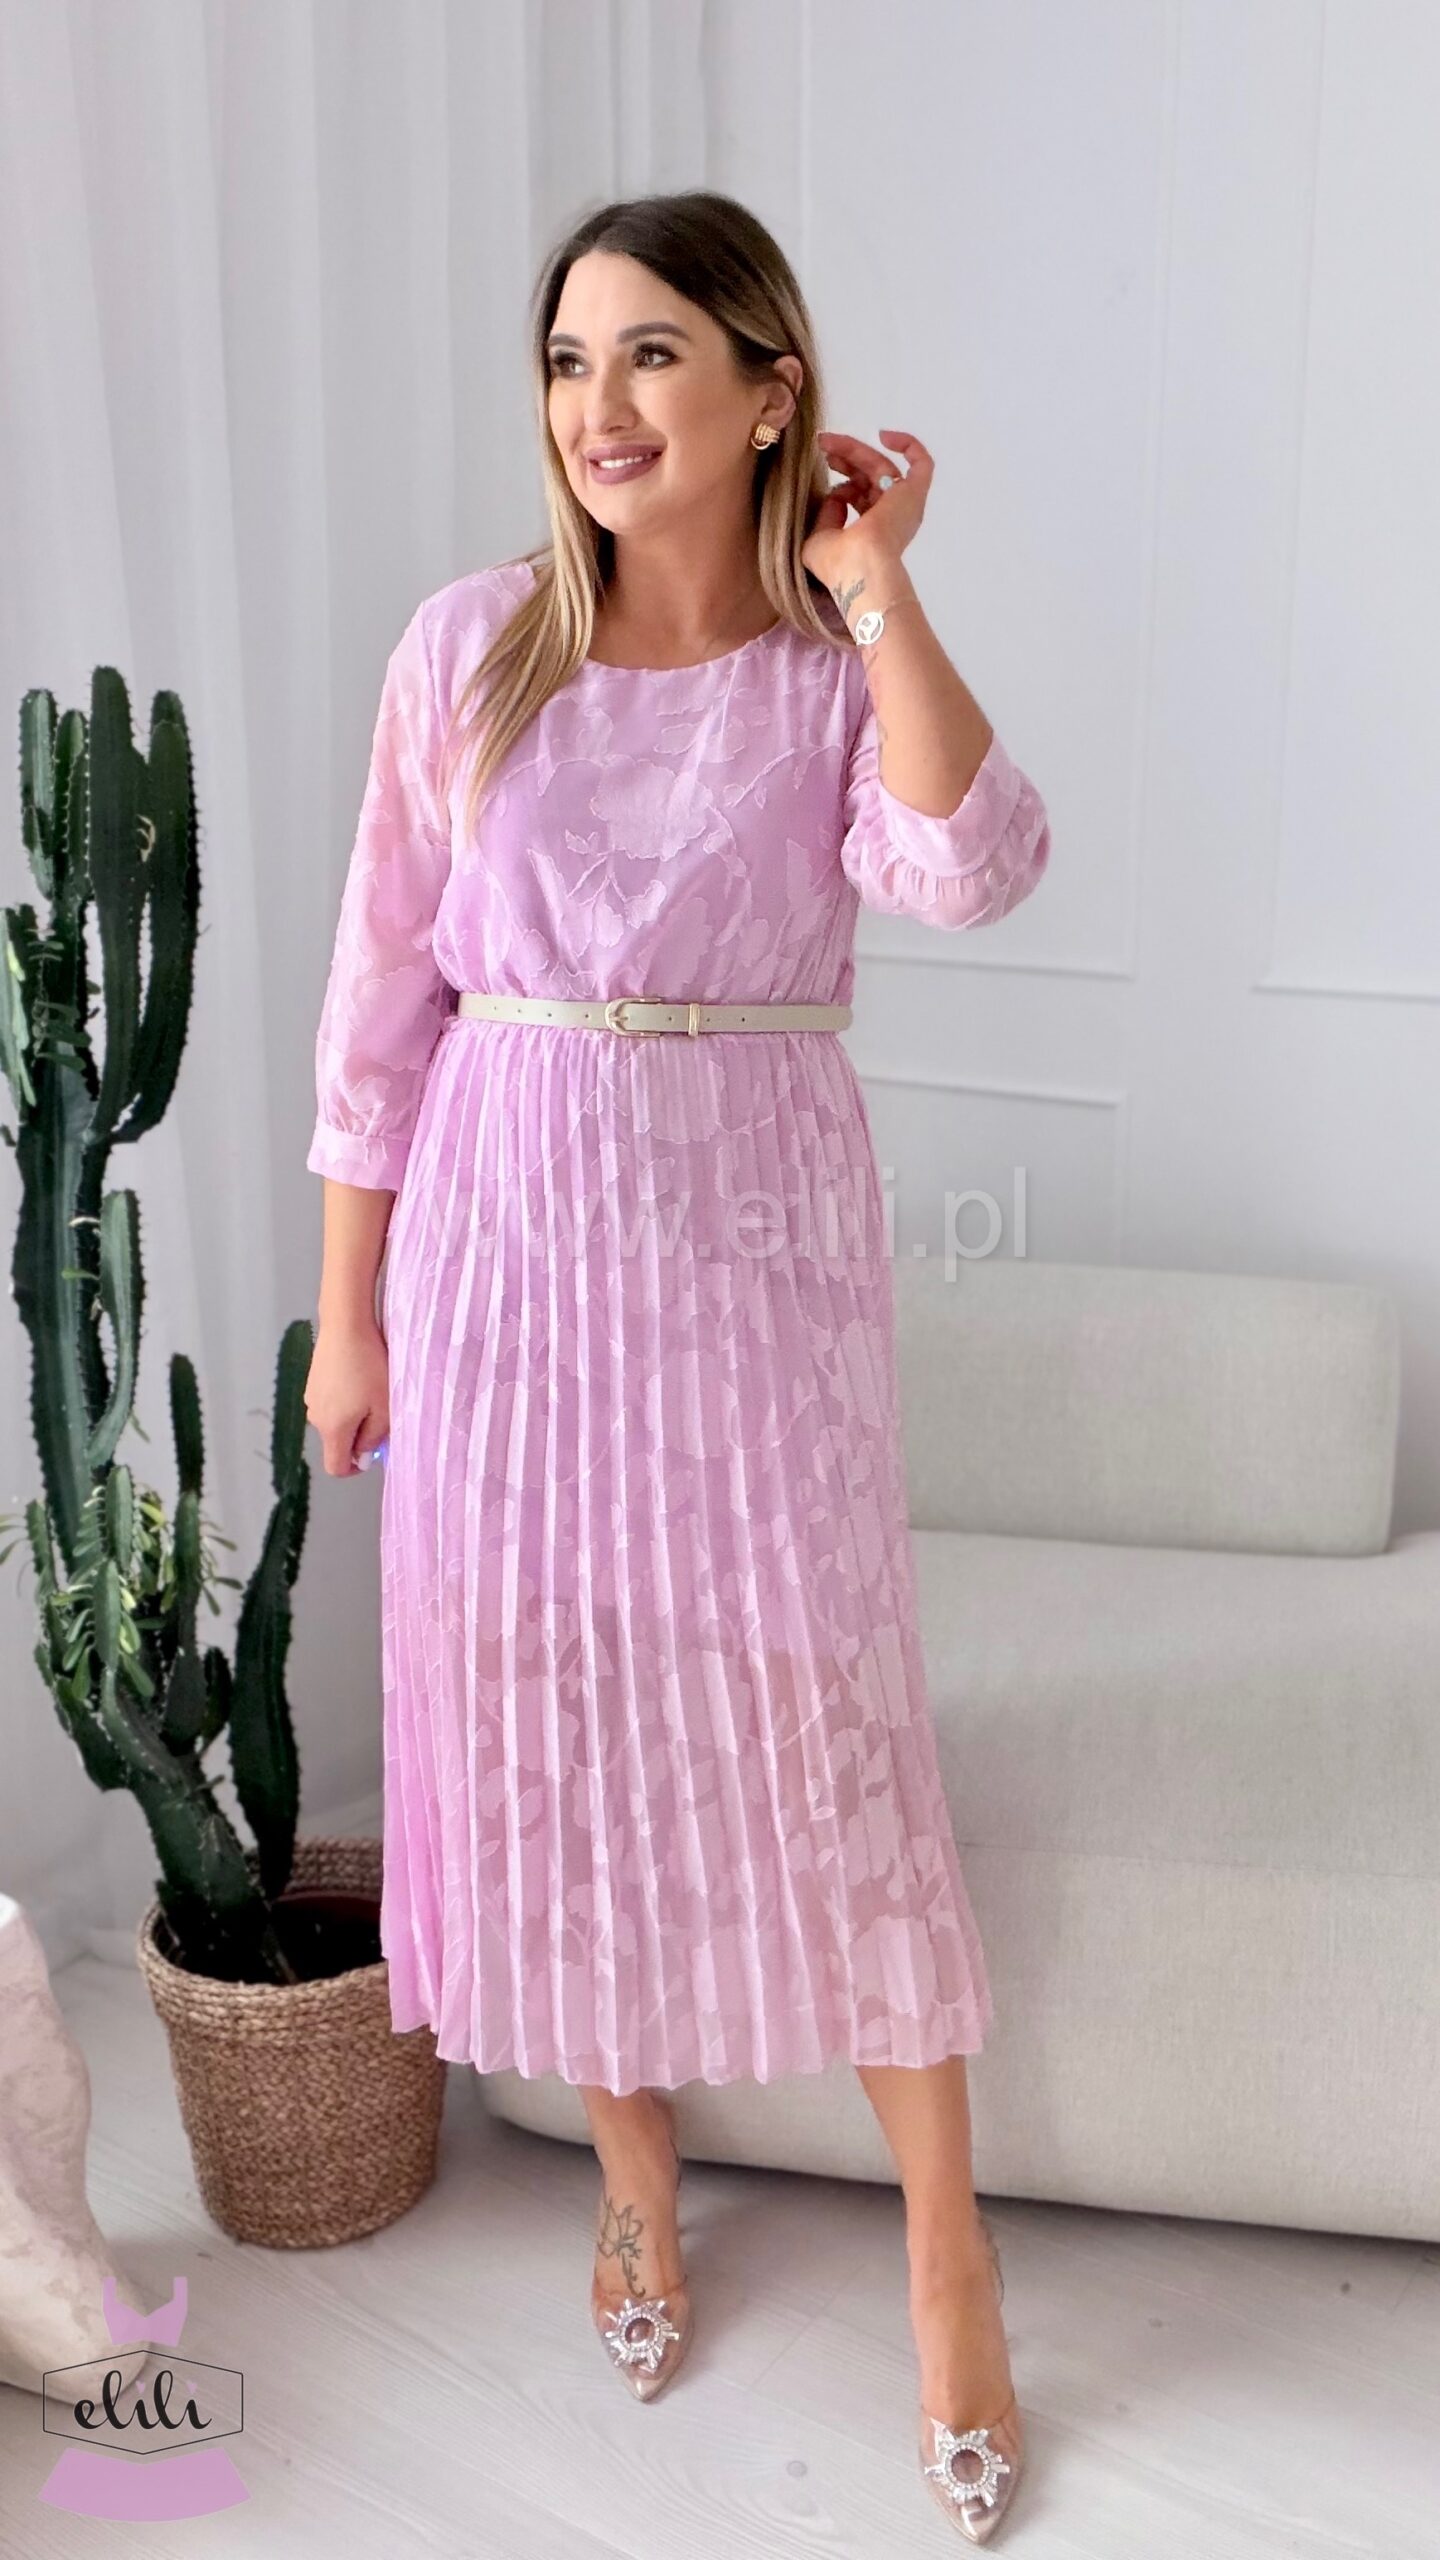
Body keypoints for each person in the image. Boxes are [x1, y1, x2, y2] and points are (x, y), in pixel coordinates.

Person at [304, 189, 1051, 2543]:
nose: (596, 406)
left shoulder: (827, 670)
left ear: (765, 387)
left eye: (647, 354)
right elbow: (379, 999)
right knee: (555, 1709)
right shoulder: (472, 648)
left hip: (752, 1246)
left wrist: (879, 584)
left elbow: (976, 858)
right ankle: (637, 2183)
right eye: (566, 361)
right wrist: (353, 1306)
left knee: (828, 1718)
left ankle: (950, 2262)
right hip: (503, 1246)